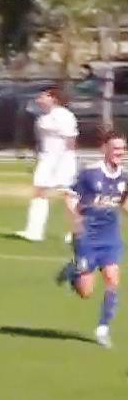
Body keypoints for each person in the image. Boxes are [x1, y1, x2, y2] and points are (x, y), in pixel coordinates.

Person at [56, 131, 128, 348]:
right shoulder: (90, 173)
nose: (119, 152)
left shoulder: (124, 177)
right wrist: (76, 222)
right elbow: (70, 197)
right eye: (115, 148)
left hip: (110, 236)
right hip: (88, 236)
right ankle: (73, 270)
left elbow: (124, 203)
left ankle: (103, 328)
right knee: (86, 292)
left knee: (113, 278)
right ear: (104, 149)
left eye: (122, 149)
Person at [16, 86, 78, 242]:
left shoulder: (64, 115)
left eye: (43, 96)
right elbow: (42, 141)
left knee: (69, 194)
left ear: (54, 99)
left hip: (62, 159)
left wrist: (66, 160)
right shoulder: (44, 117)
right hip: (47, 158)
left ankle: (77, 231)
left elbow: (70, 140)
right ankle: (34, 231)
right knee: (40, 191)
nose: (39, 100)